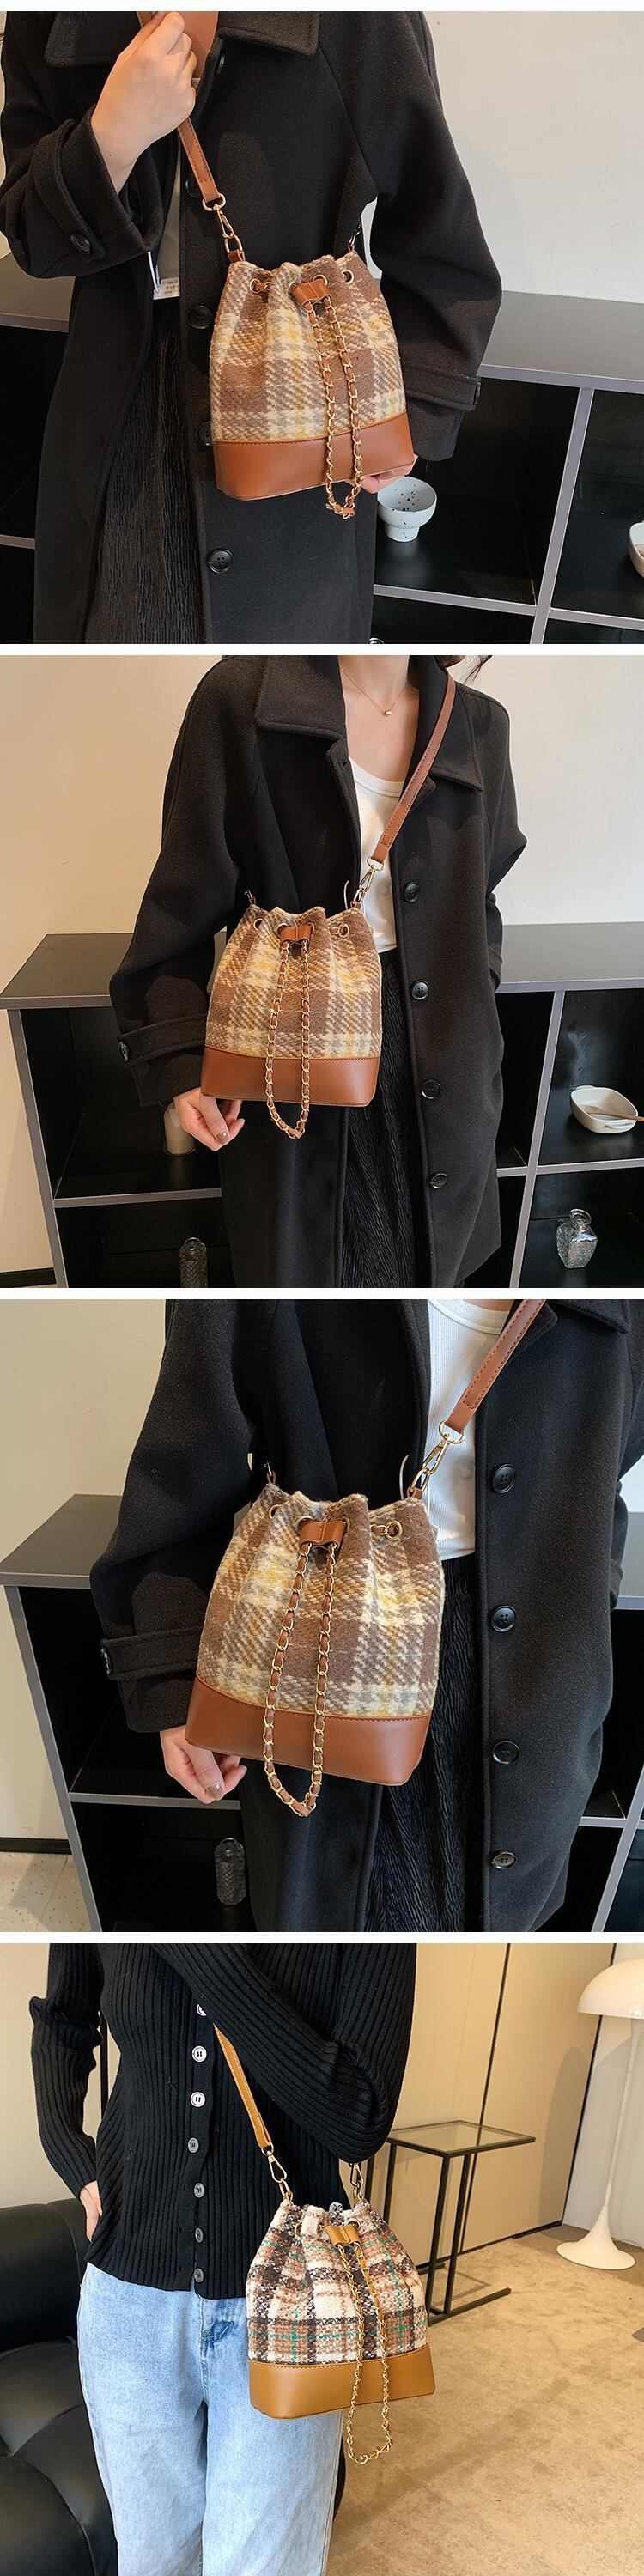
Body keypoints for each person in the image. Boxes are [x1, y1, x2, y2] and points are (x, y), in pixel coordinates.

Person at [90, 1294, 644, 1933]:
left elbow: (607, 1467)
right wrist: (170, 1683)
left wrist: (591, 1597)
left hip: (545, 1664)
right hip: (319, 1635)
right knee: (346, 1927)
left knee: (497, 1918)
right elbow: (181, 1467)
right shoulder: (308, 1258)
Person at [0, 12, 501, 643]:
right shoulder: (50, 17)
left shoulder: (360, 23)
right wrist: (112, 135)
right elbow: (36, 242)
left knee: (288, 652)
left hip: (307, 404)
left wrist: (412, 420)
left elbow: (442, 244)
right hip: (120, 422)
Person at [110, 651, 525, 1286]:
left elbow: (482, 894)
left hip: (447, 1059)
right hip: (291, 1042)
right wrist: (180, 1062)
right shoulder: (244, 696)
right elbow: (180, 901)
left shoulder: (480, 724)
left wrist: (479, 986)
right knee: (310, 1290)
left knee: (430, 1283)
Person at [30, 1939, 416, 2576]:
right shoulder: (125, 1887)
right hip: (127, 2302)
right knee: (154, 2563)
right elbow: (62, 2021)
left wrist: (196, 1946)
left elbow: (358, 2117)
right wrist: (74, 2157)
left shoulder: (356, 1897)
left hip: (293, 2310)